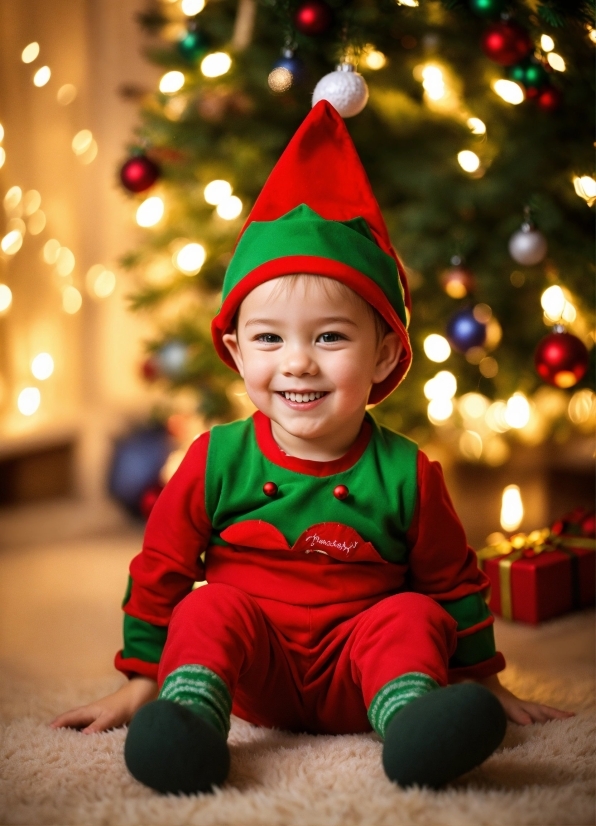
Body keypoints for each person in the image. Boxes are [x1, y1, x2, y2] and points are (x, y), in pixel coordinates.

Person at [51, 101, 572, 794]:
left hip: (367, 671)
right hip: (253, 677)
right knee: (207, 606)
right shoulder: (216, 460)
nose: (298, 363)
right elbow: (161, 571)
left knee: (413, 614)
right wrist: (141, 678)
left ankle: (416, 725)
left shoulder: (408, 474)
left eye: (329, 337)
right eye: (270, 339)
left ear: (386, 353)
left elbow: (454, 585)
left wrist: (484, 680)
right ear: (235, 352)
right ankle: (188, 721)